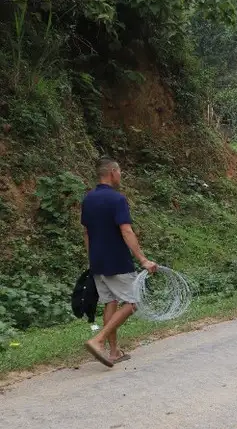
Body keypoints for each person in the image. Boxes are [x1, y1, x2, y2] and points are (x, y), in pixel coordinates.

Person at [80, 157, 158, 367]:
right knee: (132, 303)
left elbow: (86, 233)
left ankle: (113, 352)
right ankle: (98, 340)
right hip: (117, 261)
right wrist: (143, 259)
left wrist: (92, 258)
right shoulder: (117, 199)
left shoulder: (88, 199)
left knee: (111, 303)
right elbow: (126, 230)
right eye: (120, 171)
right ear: (113, 172)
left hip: (97, 262)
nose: (121, 175)